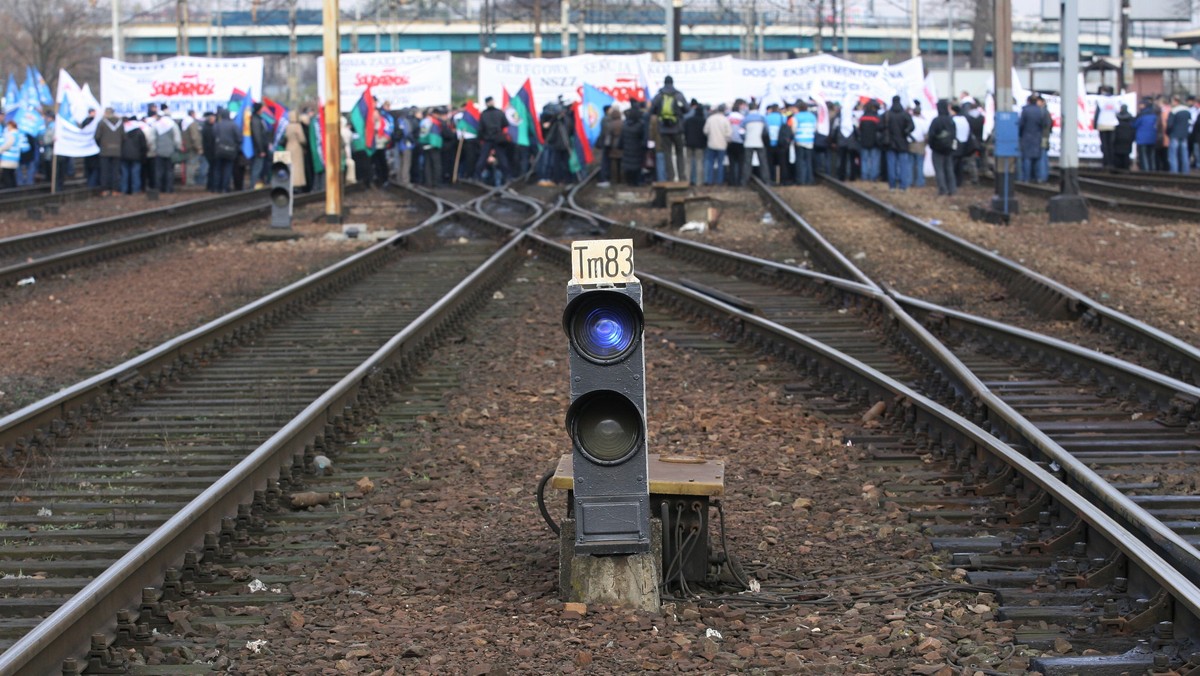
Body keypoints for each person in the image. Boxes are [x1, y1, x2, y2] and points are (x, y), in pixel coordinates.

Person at [649, 75, 687, 182]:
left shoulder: (659, 96)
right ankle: (682, 176)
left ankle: (670, 177)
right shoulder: (679, 95)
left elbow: (651, 110)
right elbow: (687, 109)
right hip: (677, 129)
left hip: (664, 129)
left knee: (667, 153)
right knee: (679, 152)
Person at [476, 96, 511, 186]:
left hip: (487, 139)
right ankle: (507, 177)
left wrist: (482, 137)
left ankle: (477, 177)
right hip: (498, 138)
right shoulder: (499, 112)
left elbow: (480, 128)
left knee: (482, 159)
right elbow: (505, 124)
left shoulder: (483, 114)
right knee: (502, 159)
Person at [883, 96, 914, 190]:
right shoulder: (905, 114)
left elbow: (881, 127)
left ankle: (892, 185)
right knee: (904, 165)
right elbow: (912, 126)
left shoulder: (887, 114)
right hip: (903, 143)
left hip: (890, 143)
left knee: (891, 165)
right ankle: (903, 185)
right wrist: (906, 131)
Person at [927, 99, 957, 196]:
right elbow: (954, 134)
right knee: (949, 169)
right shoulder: (951, 120)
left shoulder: (936, 121)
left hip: (937, 149)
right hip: (948, 149)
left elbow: (931, 135)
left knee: (939, 170)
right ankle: (952, 189)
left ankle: (942, 189)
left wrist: (932, 145)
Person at [94, 107, 124, 196]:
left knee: (104, 171)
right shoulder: (120, 123)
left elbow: (97, 137)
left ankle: (104, 190)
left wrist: (101, 145)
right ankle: (115, 190)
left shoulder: (102, 123)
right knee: (115, 171)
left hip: (104, 151)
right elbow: (124, 137)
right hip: (117, 150)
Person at [152, 109, 182, 193]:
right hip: (170, 152)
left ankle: (159, 188)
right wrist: (178, 148)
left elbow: (153, 138)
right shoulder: (173, 125)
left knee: (159, 171)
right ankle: (169, 188)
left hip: (159, 151)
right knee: (169, 171)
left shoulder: (156, 125)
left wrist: (154, 149)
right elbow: (177, 139)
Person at [702, 103, 732, 186]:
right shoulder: (725, 120)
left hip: (711, 144)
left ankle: (709, 181)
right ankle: (719, 181)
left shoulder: (710, 119)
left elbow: (705, 131)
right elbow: (729, 134)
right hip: (722, 145)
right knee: (720, 164)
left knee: (710, 163)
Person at [1017, 94, 1045, 183]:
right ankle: (1037, 177)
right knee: (1037, 158)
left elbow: (1021, 124)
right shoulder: (1040, 111)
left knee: (1026, 158)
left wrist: (1020, 135)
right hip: (1037, 136)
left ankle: (1026, 178)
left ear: (1028, 101)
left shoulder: (1025, 111)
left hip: (1026, 136)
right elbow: (1043, 124)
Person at [211, 107, 239, 193]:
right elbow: (239, 138)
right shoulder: (233, 125)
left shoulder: (217, 125)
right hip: (230, 151)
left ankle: (216, 187)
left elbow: (213, 136)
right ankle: (225, 187)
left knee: (217, 169)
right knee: (228, 169)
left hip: (218, 150)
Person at [1093, 85, 1120, 170]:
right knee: (1111, 144)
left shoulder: (1100, 100)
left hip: (1102, 124)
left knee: (1104, 144)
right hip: (1112, 124)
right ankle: (1111, 162)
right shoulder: (1115, 100)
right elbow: (1118, 111)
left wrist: (1095, 124)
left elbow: (1097, 113)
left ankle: (1105, 161)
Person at [619, 106, 647, 186]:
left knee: (628, 165)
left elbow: (621, 138)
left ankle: (629, 181)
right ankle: (637, 181)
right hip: (637, 149)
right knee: (637, 166)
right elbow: (643, 137)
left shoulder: (625, 125)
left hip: (627, 149)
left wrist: (620, 146)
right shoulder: (640, 126)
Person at [741, 101, 767, 184]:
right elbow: (766, 131)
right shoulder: (762, 118)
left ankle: (744, 180)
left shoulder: (745, 118)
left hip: (748, 143)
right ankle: (766, 180)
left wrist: (744, 138)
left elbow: (740, 131)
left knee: (747, 163)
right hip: (760, 142)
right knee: (763, 162)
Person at [120, 116, 148, 194]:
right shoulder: (139, 131)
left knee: (125, 174)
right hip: (136, 156)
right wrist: (143, 155)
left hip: (124, 155)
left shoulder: (122, 130)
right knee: (136, 174)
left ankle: (124, 190)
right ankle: (136, 190)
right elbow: (143, 145)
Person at [792, 101, 817, 185]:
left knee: (800, 161)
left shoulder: (796, 116)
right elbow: (815, 128)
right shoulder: (812, 116)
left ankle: (801, 180)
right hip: (810, 140)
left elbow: (794, 129)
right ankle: (809, 179)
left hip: (799, 140)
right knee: (808, 161)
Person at [419, 107, 444, 187]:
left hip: (425, 145)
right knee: (436, 164)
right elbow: (436, 134)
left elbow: (421, 134)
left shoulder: (423, 121)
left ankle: (428, 182)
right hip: (433, 145)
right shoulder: (435, 122)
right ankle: (436, 182)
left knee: (427, 164)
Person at [857, 101, 882, 181]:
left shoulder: (862, 118)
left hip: (864, 142)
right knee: (874, 160)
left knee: (864, 160)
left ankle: (864, 176)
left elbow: (859, 129)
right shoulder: (877, 118)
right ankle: (873, 177)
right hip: (875, 143)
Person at [1133, 98, 1160, 172]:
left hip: (1142, 139)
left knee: (1144, 155)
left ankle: (1146, 170)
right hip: (1152, 138)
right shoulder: (1154, 115)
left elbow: (1134, 125)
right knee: (1151, 155)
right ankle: (1153, 169)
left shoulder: (1141, 115)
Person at [1166, 95, 1191, 174]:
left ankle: (1174, 172)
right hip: (1184, 135)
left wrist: (1168, 133)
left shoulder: (1174, 111)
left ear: (1175, 101)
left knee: (1173, 155)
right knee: (1184, 155)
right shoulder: (1187, 110)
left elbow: (1169, 125)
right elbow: (1190, 122)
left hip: (1174, 135)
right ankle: (1185, 171)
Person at [683, 99, 706, 186]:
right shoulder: (703, 121)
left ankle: (687, 180)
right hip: (699, 145)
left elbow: (685, 131)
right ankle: (699, 182)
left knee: (688, 163)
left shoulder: (689, 120)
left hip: (689, 143)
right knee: (699, 162)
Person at [284, 112, 308, 191]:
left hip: (288, 147)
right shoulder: (298, 126)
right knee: (298, 167)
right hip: (297, 148)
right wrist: (305, 144)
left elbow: (285, 136)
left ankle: (290, 183)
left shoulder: (287, 126)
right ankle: (297, 184)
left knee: (290, 166)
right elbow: (302, 139)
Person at [908, 101, 928, 188]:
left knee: (910, 164)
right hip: (920, 143)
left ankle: (910, 180)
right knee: (919, 164)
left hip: (910, 143)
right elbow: (926, 133)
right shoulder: (923, 121)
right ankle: (920, 182)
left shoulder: (910, 120)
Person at [0, 121, 25, 189]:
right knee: (11, 174)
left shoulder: (12, 134)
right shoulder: (18, 134)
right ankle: (13, 189)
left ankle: (9, 190)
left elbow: (7, 145)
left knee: (7, 174)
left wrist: (1, 149)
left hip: (8, 158)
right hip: (15, 158)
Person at [726, 99, 746, 186]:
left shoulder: (728, 117)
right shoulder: (742, 118)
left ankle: (732, 181)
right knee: (741, 163)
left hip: (730, 142)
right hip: (740, 142)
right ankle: (740, 181)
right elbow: (743, 130)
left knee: (732, 163)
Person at [183, 110, 204, 187]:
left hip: (187, 146)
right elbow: (194, 136)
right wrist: (198, 147)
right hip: (192, 147)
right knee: (192, 164)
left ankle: (189, 180)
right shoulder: (192, 123)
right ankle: (190, 181)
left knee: (189, 163)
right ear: (192, 114)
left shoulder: (185, 122)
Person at [1113, 104, 1134, 172]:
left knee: (1118, 156)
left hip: (1118, 139)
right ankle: (1126, 169)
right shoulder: (1130, 119)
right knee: (1126, 156)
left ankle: (1118, 169)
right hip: (1127, 139)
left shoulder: (1118, 118)